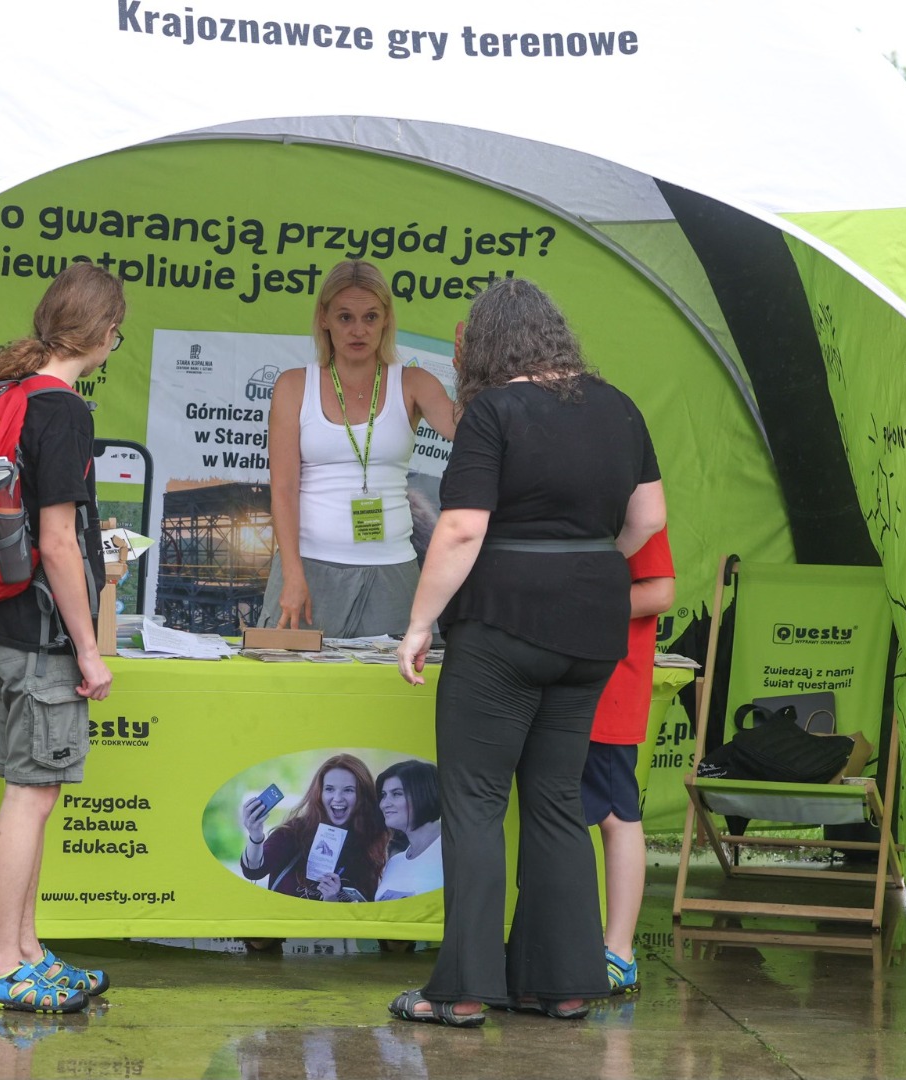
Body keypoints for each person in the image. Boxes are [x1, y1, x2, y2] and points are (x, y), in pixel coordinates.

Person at [388, 278, 665, 1028]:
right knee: (553, 802)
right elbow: (649, 517)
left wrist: (419, 624)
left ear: (485, 344)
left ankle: (464, 989)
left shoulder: (493, 412)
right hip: (590, 627)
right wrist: (585, 555)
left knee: (475, 802)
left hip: (502, 623)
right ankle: (566, 983)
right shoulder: (618, 407)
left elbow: (459, 530)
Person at [0, 262, 124, 1014]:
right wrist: (88, 648)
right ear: (105, 333)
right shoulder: (61, 409)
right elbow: (56, 543)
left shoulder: (5, 394)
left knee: (32, 791)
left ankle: (24, 950)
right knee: (30, 795)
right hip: (37, 635)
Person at [260, 260, 457, 638]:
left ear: (386, 319)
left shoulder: (413, 382)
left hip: (393, 570)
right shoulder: (294, 386)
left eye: (370, 317)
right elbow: (283, 488)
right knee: (296, 691)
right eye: (345, 317)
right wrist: (293, 574)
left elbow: (465, 430)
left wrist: (474, 371)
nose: (358, 330)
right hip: (311, 567)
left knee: (394, 693)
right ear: (324, 318)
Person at [585, 527, 674, 995]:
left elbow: (661, 591)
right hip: (557, 678)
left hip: (611, 683)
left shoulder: (636, 501)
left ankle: (619, 952)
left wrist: (579, 603)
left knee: (617, 814)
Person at [239, 753, 387, 902]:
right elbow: (253, 871)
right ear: (319, 793)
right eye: (329, 789)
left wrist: (331, 901)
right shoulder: (293, 832)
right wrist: (255, 837)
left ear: (362, 795)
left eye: (348, 790)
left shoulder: (371, 845)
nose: (337, 798)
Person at [373, 759, 444, 901]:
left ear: (423, 794)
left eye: (396, 794)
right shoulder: (395, 862)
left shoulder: (457, 849)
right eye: (383, 795)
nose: (384, 804)